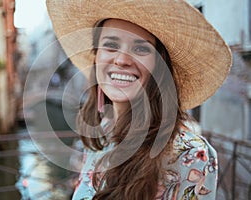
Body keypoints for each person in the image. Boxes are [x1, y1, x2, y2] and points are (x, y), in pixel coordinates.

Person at [46, 0, 232, 199]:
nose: (122, 60)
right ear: (96, 58)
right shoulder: (100, 135)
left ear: (159, 68)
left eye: (141, 49)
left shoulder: (192, 153)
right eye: (110, 46)